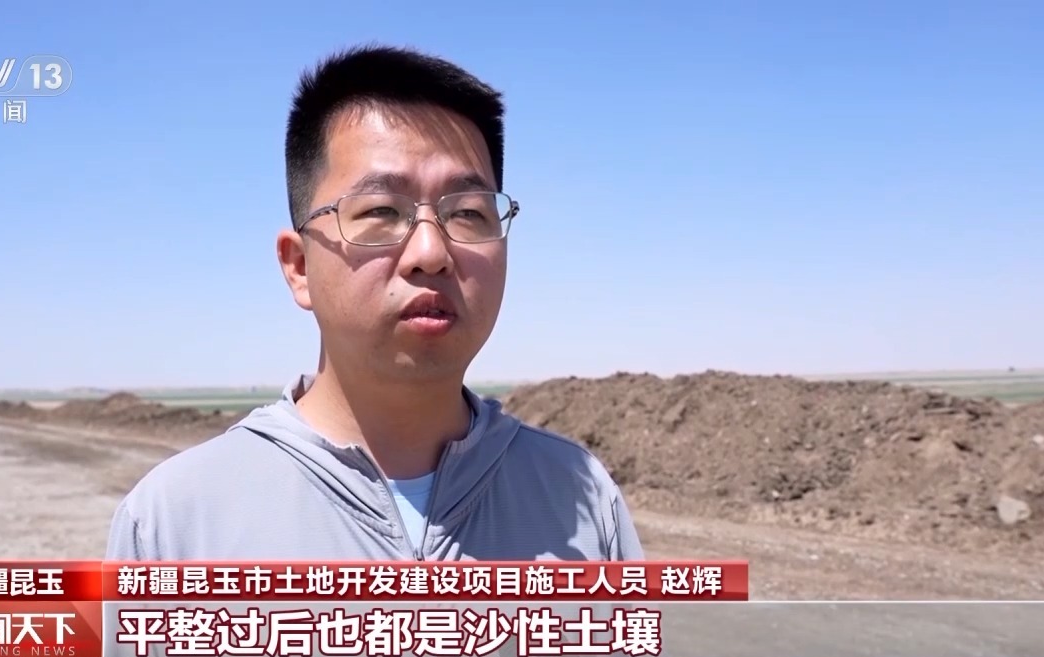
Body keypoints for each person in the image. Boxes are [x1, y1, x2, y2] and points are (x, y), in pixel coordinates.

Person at [105, 45, 643, 562]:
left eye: (468, 212)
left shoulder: (582, 503)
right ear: (299, 268)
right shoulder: (175, 526)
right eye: (382, 210)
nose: (431, 253)